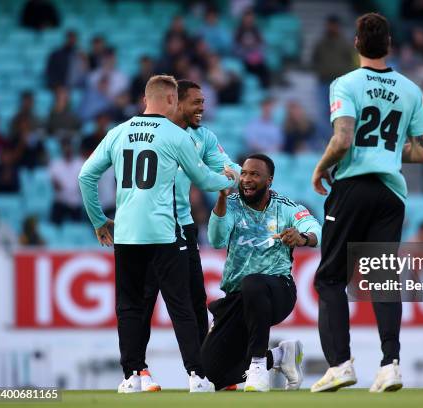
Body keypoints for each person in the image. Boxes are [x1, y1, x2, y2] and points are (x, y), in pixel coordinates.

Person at [78, 75, 238, 393]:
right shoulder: (175, 135)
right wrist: (229, 180)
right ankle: (196, 375)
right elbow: (205, 180)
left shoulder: (118, 133)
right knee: (181, 304)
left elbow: (86, 176)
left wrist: (98, 220)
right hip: (165, 233)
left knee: (129, 305)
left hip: (126, 234)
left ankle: (132, 376)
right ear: (169, 100)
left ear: (145, 99)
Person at [310, 13, 423, 393]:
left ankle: (340, 364)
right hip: (390, 195)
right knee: (382, 279)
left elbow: (343, 139)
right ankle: (390, 364)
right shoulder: (411, 90)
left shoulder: (345, 83)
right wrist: (388, 151)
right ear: (390, 45)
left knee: (330, 279)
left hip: (353, 189)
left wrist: (320, 167)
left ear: (357, 44)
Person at [136, 80, 242, 391]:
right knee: (144, 300)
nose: (202, 108)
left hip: (182, 227)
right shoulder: (152, 132)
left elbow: (230, 167)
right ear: (176, 102)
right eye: (196, 102)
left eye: (203, 102)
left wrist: (230, 175)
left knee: (196, 301)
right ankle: (137, 371)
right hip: (147, 228)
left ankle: (205, 373)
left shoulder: (203, 137)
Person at [203, 154, 321, 392]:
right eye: (244, 173)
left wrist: (302, 237)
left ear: (270, 180)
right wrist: (222, 199)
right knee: (212, 372)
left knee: (253, 283)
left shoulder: (285, 207)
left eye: (255, 174)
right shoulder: (232, 204)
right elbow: (215, 240)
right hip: (238, 299)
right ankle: (279, 357)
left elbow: (315, 229)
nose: (246, 179)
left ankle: (257, 364)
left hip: (277, 292)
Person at [49, 138, 84, 224]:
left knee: (79, 228)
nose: (68, 149)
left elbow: (82, 185)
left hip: (76, 203)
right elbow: (56, 186)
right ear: (62, 148)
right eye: (65, 147)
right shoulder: (55, 163)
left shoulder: (81, 163)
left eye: (69, 147)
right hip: (61, 202)